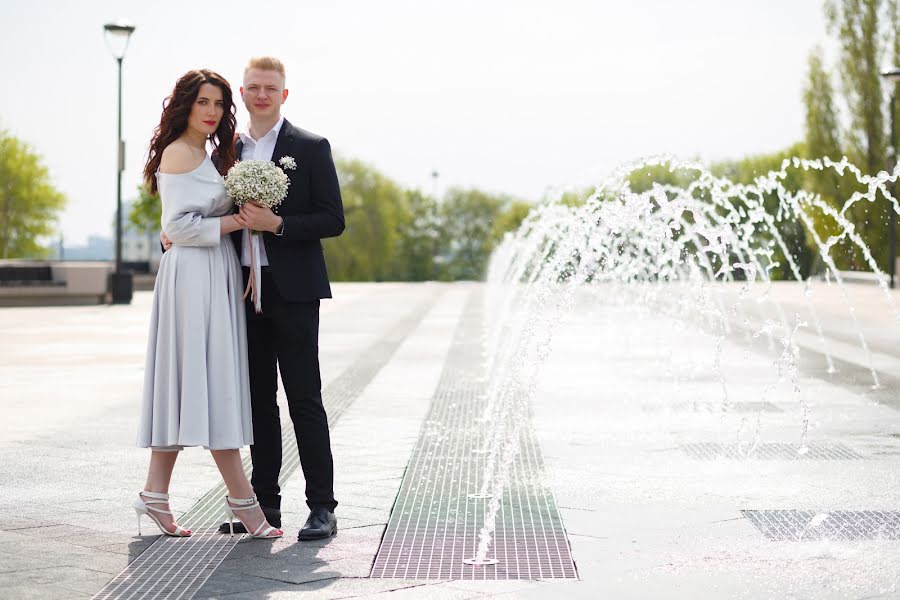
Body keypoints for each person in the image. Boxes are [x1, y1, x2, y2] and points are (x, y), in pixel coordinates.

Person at [137, 69, 283, 540]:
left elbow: (181, 225)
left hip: (212, 271)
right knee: (209, 378)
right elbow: (177, 229)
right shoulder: (180, 153)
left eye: (219, 104)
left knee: (189, 380)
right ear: (185, 105)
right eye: (203, 102)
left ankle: (154, 494)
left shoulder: (208, 154)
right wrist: (236, 223)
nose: (212, 111)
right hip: (193, 277)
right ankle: (244, 501)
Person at [220, 56, 345, 540]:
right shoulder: (226, 150)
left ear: (284, 94)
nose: (262, 95)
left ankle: (322, 508)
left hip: (293, 291)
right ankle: (264, 507)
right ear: (244, 92)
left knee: (303, 398)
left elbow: (333, 219)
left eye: (271, 87)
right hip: (240, 291)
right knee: (257, 400)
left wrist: (279, 224)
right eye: (253, 87)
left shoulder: (310, 148)